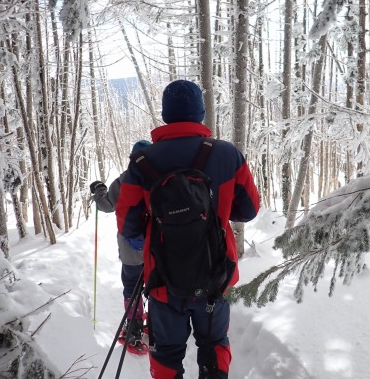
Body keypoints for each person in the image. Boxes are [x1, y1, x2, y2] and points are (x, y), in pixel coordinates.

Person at [116, 80, 260, 379]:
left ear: (165, 114)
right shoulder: (227, 154)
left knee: (166, 351)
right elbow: (249, 210)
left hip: (163, 280)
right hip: (215, 273)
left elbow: (127, 224)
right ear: (200, 112)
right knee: (214, 343)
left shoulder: (142, 162)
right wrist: (216, 212)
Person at [89, 139, 151, 352]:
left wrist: (99, 190)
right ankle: (157, 324)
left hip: (131, 248)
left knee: (132, 286)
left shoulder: (126, 179)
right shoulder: (163, 177)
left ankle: (133, 331)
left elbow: (106, 205)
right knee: (157, 285)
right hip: (157, 248)